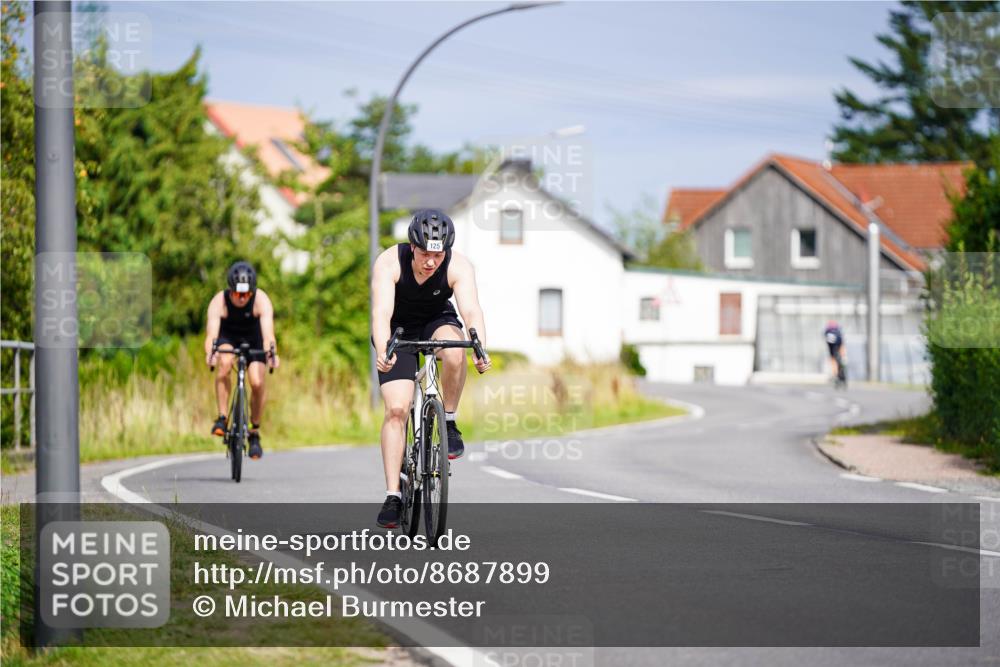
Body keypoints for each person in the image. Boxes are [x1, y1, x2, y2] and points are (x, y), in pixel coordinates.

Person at [371, 209, 491, 528]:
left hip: (437, 321)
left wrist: (480, 345)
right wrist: (383, 348)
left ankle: (448, 421)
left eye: (437, 255)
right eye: (425, 254)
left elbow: (471, 310)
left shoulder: (458, 265)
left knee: (455, 352)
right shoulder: (389, 262)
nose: (431, 262)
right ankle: (393, 495)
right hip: (398, 330)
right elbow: (381, 313)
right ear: (412, 246)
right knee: (397, 409)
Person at [204, 261, 279, 459]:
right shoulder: (218, 302)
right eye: (238, 294)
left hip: (254, 339)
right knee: (225, 363)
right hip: (228, 337)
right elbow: (211, 336)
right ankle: (222, 417)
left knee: (257, 381)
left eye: (247, 294)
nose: (243, 298)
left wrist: (272, 354)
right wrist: (211, 354)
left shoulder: (261, 300)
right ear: (231, 290)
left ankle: (254, 431)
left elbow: (268, 335)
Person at [824, 320, 846, 387]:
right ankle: (841, 366)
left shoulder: (828, 331)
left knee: (833, 360)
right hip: (837, 342)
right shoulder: (837, 331)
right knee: (840, 358)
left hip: (832, 344)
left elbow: (829, 343)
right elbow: (841, 342)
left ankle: (836, 374)